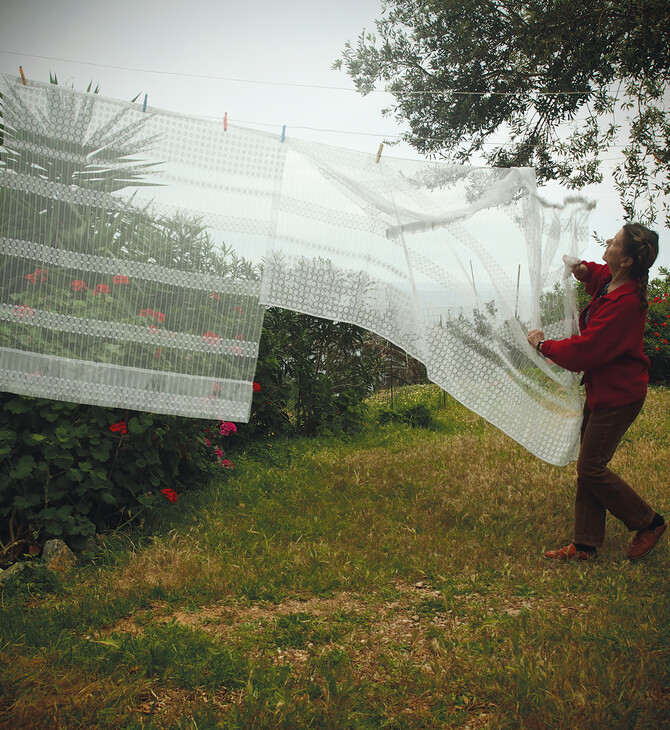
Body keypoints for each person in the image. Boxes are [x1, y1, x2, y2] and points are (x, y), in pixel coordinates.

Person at [527, 223, 666, 561]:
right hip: (604, 390)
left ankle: (649, 522)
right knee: (587, 465)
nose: (608, 242)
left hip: (619, 396)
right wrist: (584, 269)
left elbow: (586, 351)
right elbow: (600, 275)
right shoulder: (616, 281)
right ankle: (585, 545)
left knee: (591, 467)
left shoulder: (625, 303)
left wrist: (543, 344)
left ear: (628, 261)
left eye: (615, 242)